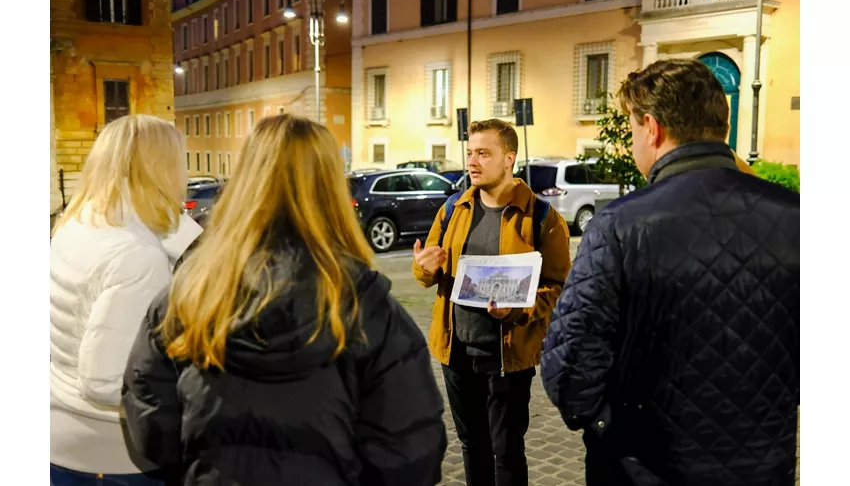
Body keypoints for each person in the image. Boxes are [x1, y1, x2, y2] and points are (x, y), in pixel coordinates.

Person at [122, 114, 448, 485]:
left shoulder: (188, 292)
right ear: (332, 188)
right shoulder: (367, 306)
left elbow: (147, 416)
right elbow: (412, 450)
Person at [541, 58, 800, 486]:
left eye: (631, 132)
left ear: (652, 127)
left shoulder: (620, 225)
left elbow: (569, 369)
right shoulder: (797, 216)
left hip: (645, 465)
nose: (632, 144)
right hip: (763, 467)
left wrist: (607, 426)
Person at [412, 119, 571, 486]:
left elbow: (559, 288)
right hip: (455, 353)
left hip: (507, 355)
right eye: (470, 153)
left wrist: (517, 310)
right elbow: (428, 273)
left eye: (484, 153)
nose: (473, 161)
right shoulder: (454, 209)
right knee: (472, 445)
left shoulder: (543, 219)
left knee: (507, 448)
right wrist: (422, 268)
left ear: (509, 158)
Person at [50, 115, 201, 485]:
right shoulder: (137, 256)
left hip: (61, 439)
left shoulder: (78, 224)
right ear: (161, 168)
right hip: (114, 456)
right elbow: (105, 381)